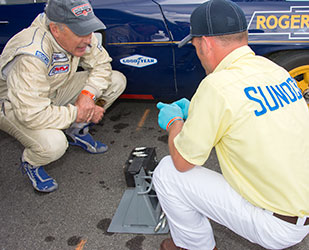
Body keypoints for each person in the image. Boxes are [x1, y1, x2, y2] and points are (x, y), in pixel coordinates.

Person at [154, 0, 309, 249]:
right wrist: (196, 109)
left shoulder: (216, 86)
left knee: (168, 173)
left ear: (205, 43)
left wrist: (175, 122)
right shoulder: (274, 70)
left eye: (195, 47)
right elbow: (246, 113)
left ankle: (193, 246)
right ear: (243, 36)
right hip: (300, 205)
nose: (198, 53)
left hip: (278, 224)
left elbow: (183, 162)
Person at [0, 0, 126, 193]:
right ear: (56, 29)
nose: (88, 39)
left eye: (89, 30)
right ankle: (31, 162)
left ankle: (75, 131)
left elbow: (102, 65)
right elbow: (31, 114)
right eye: (80, 32)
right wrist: (77, 113)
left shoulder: (78, 35)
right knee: (54, 144)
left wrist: (87, 95)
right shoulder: (31, 54)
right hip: (15, 105)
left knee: (116, 81)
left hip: (52, 90)